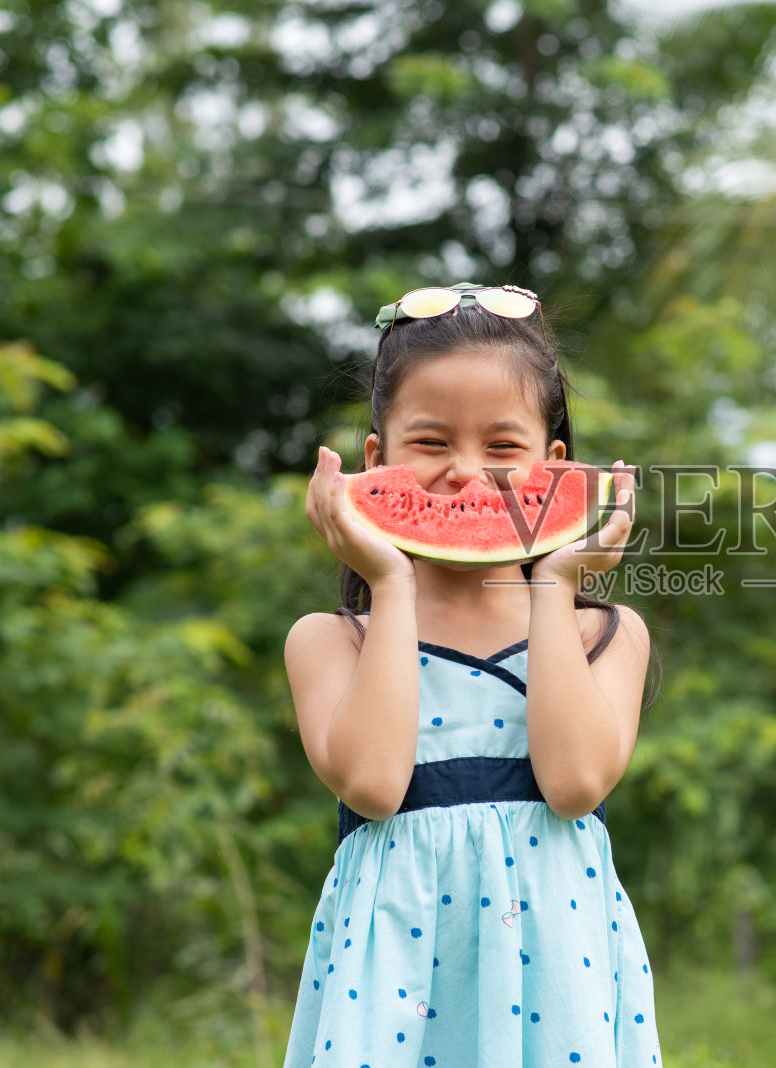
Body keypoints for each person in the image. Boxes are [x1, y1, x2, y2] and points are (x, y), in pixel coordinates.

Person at [280, 283, 663, 1067]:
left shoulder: (604, 634)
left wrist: (554, 583)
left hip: (559, 985)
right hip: (392, 989)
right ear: (374, 462)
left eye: (501, 447)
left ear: (554, 468)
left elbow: (576, 783)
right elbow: (375, 785)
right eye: (430, 444)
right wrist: (388, 584)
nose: (464, 473)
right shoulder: (329, 642)